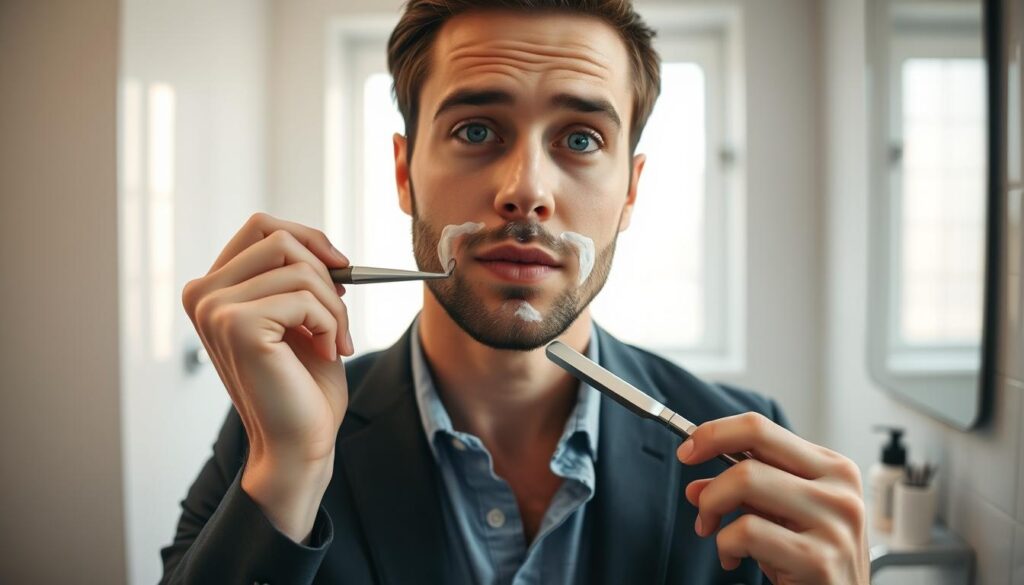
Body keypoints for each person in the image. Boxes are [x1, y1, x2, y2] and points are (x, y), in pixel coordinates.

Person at [162, 1, 869, 583]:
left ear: (630, 190)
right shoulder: (272, 436)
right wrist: (290, 471)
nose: (525, 190)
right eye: (476, 129)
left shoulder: (744, 453)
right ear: (404, 173)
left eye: (582, 140)